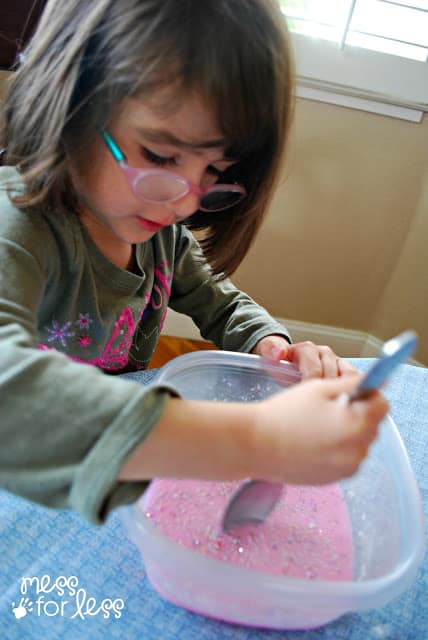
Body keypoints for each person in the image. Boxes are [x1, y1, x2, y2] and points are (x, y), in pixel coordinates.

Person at [0, 0, 388, 525]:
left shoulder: (163, 236)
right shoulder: (19, 223)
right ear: (73, 106)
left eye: (214, 171)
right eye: (160, 158)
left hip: (120, 472)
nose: (186, 203)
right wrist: (256, 439)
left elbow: (221, 304)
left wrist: (271, 347)